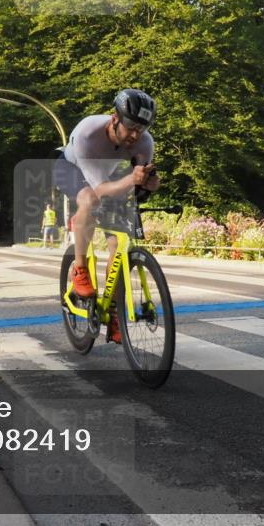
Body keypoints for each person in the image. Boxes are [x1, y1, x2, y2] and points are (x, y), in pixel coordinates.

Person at [53, 89, 161, 343]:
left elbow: (136, 185)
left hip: (106, 176)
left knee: (118, 241)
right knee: (89, 200)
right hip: (69, 168)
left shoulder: (145, 143)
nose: (136, 135)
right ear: (115, 119)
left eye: (142, 128)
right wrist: (130, 180)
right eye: (132, 126)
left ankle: (112, 310)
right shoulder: (88, 134)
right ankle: (79, 269)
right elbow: (99, 190)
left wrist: (149, 185)